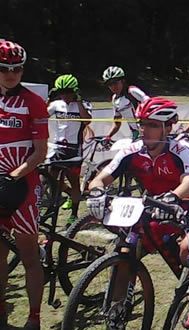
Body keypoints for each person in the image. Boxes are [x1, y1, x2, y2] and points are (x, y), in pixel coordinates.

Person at [87, 97, 189, 321]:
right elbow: (100, 178)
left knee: (188, 252)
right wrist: (95, 192)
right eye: (142, 123)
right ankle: (117, 310)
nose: (144, 130)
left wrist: (173, 196)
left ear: (167, 128)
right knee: (125, 250)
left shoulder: (181, 151)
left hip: (188, 204)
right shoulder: (131, 151)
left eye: (152, 125)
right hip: (153, 205)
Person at [0, 40, 47, 330]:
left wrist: (13, 177)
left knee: (28, 255)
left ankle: (34, 317)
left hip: (22, 186)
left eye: (17, 68)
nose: (11, 74)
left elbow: (40, 151)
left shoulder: (33, 101)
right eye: (4, 68)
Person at [47, 74, 92, 225]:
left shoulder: (83, 104)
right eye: (61, 92)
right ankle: (58, 202)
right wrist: (49, 99)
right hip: (58, 147)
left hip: (74, 149)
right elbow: (41, 115)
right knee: (49, 178)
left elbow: (87, 120)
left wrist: (78, 101)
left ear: (75, 91)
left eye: (68, 92)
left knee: (74, 182)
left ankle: (73, 213)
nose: (64, 96)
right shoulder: (56, 104)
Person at [101, 66, 150, 142]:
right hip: (135, 134)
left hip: (147, 131)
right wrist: (108, 136)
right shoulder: (114, 99)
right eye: (110, 84)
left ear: (122, 81)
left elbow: (151, 103)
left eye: (115, 83)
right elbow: (117, 123)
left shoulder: (132, 91)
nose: (113, 87)